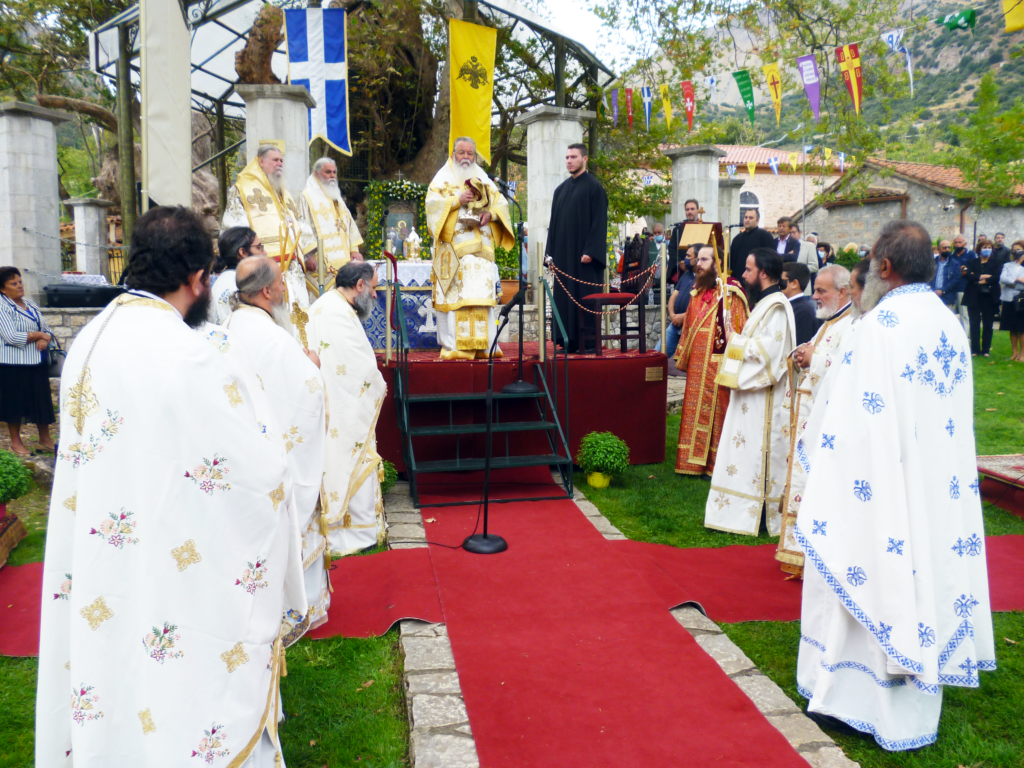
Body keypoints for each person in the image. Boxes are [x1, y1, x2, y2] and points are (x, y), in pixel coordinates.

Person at [36, 206, 307, 767]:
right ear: (195, 279)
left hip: (107, 546)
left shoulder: (92, 337)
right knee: (177, 674)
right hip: (168, 550)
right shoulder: (190, 354)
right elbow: (258, 473)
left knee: (115, 663)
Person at [795, 219, 994, 751]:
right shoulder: (949, 323)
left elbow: (844, 413)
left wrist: (820, 456)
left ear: (884, 267)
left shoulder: (879, 326)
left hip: (879, 483)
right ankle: (912, 689)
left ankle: (851, 697)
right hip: (934, 485)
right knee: (922, 573)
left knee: (873, 570)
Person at [226, 257, 330, 629]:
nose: (287, 290)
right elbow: (307, 392)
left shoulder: (231, 325)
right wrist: (313, 366)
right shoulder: (272, 336)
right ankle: (305, 607)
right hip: (279, 457)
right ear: (267, 291)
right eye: (282, 284)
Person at [704, 247, 795, 536]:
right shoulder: (765, 304)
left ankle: (754, 514)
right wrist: (737, 338)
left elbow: (772, 352)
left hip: (763, 401)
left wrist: (735, 340)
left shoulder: (778, 307)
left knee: (753, 455)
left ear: (763, 273)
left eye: (748, 270)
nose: (743, 276)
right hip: (750, 398)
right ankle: (735, 512)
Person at [775, 265, 853, 576]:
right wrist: (802, 354)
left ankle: (814, 558)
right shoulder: (829, 322)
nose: (815, 296)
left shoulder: (851, 325)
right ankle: (800, 557)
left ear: (843, 292)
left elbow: (848, 370)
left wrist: (814, 360)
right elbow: (817, 354)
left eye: (822, 291)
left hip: (826, 423)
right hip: (809, 415)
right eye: (816, 290)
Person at [306, 261, 387, 555]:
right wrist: (376, 382)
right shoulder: (335, 313)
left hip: (336, 403)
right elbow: (354, 367)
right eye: (375, 287)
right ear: (360, 285)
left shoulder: (332, 305)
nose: (376, 295)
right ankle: (352, 536)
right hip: (342, 406)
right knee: (348, 454)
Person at [425, 137, 515, 360]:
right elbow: (431, 206)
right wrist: (457, 200)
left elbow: (501, 203)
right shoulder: (442, 178)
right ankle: (457, 348)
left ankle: (486, 347)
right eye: (461, 152)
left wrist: (490, 214)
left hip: (482, 254)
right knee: (458, 300)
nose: (466, 157)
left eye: (470, 154)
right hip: (455, 252)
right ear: (453, 153)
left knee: (482, 299)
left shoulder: (484, 178)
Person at [673, 246, 748, 476]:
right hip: (698, 363)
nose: (699, 264)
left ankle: (715, 464)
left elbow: (739, 328)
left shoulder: (731, 293)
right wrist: (683, 355)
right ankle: (691, 462)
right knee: (694, 411)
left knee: (718, 414)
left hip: (719, 363)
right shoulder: (697, 292)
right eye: (698, 259)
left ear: (718, 262)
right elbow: (687, 327)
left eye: (705, 259)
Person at [222, 144, 317, 313]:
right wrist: (246, 260)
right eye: (275, 160)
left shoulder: (281, 190)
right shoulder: (242, 189)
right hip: (264, 270)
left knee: (300, 319)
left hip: (293, 270)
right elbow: (235, 230)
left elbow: (297, 220)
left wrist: (309, 251)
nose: (280, 163)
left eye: (281, 160)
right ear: (261, 161)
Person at [546, 143, 609, 353]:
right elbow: (553, 225)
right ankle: (567, 341)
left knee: (584, 297)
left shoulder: (595, 188)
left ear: (585, 159)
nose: (569, 161)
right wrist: (550, 255)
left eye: (573, 157)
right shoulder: (560, 190)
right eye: (566, 157)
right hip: (564, 257)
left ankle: (588, 342)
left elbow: (599, 222)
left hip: (585, 260)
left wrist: (591, 250)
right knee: (564, 299)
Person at [0, 267, 56, 456]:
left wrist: (44, 337)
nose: (19, 286)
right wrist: (38, 334)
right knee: (15, 404)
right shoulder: (2, 306)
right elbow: (12, 337)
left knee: (41, 401)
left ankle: (45, 440)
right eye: (13, 283)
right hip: (13, 364)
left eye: (20, 281)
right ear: (2, 289)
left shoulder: (30, 304)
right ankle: (15, 443)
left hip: (36, 361)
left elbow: (47, 329)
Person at [297, 157, 364, 274]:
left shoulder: (336, 196)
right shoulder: (306, 197)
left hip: (344, 262)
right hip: (320, 264)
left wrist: (354, 250)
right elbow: (301, 226)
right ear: (316, 174)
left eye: (334, 172)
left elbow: (349, 225)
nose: (332, 175)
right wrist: (308, 255)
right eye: (328, 172)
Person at [210, 227, 262, 325]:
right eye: (259, 248)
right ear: (243, 252)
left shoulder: (219, 282)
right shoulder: (242, 285)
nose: (264, 253)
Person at [961, 237, 1001, 357]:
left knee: (988, 324)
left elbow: (995, 278)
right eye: (984, 247)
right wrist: (984, 277)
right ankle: (975, 350)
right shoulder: (972, 262)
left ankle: (985, 350)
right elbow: (968, 276)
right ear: (979, 249)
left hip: (989, 297)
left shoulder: (996, 262)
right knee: (974, 323)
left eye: (989, 247)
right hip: (973, 296)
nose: (987, 249)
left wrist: (978, 278)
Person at [664, 244, 697, 362]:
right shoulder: (685, 275)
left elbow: (701, 305)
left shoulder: (704, 278)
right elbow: (673, 297)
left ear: (697, 259)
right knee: (658, 354)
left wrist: (682, 317)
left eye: (688, 256)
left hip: (690, 325)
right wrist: (673, 315)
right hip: (674, 324)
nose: (685, 259)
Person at [728, 209, 775, 279]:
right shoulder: (737, 239)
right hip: (738, 279)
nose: (747, 220)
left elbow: (771, 259)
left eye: (751, 218)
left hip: (757, 279)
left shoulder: (765, 236)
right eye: (746, 217)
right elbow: (732, 262)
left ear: (757, 220)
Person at [782, 262, 819, 345]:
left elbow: (801, 344)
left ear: (794, 284)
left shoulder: (804, 311)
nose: (777, 284)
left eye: (781, 280)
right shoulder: (788, 305)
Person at [999, 241, 1024, 361]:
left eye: (1018, 249)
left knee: (1022, 327)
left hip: (1022, 299)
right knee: (1012, 327)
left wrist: (1017, 282)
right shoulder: (1008, 265)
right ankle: (1014, 353)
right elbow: (1003, 278)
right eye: (1013, 249)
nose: (1015, 251)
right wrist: (1018, 280)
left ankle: (1023, 355)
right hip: (1009, 299)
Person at [931, 239, 966, 313]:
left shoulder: (955, 263)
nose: (947, 250)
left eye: (949, 247)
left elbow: (955, 279)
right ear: (939, 249)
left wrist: (942, 290)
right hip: (933, 295)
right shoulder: (933, 262)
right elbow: (928, 277)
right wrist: (933, 290)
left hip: (947, 296)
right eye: (944, 248)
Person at [790, 223, 819, 292]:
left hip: (803, 288)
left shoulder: (809, 246)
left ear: (799, 233)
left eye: (793, 232)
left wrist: (797, 269)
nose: (791, 235)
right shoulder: (784, 247)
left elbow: (814, 266)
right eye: (789, 233)